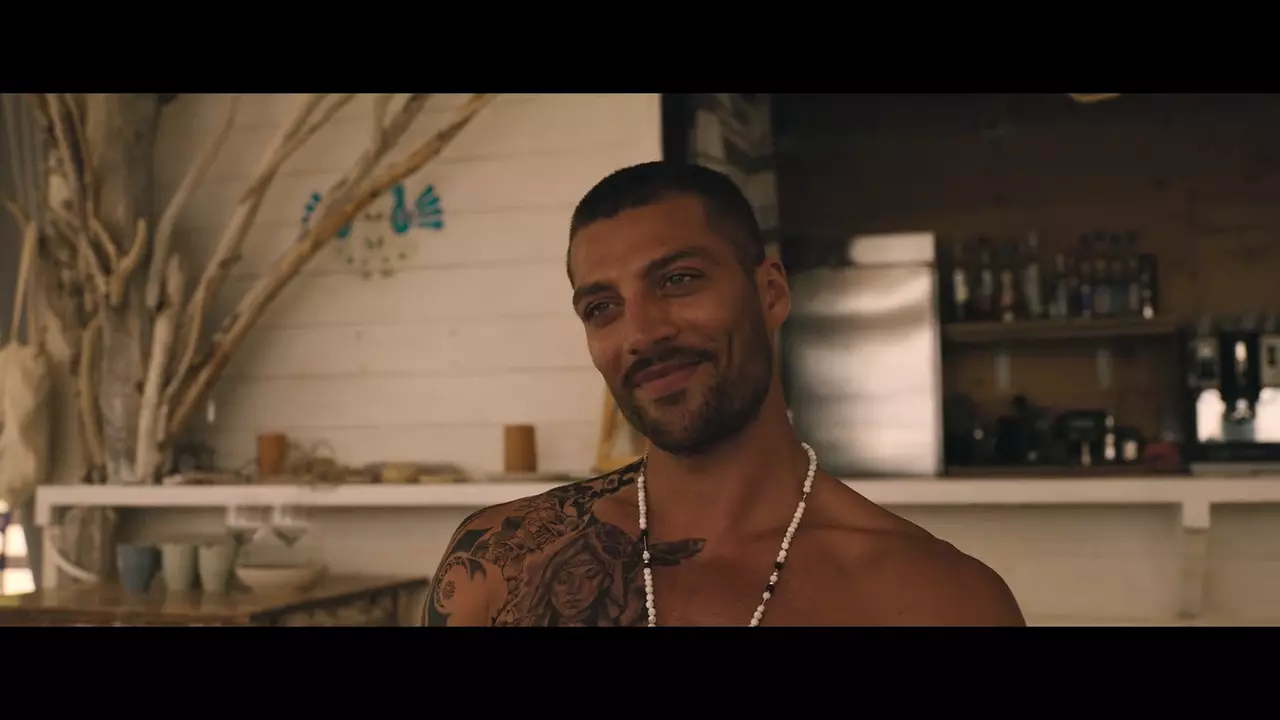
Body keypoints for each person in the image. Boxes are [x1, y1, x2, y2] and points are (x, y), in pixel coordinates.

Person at [425, 161, 1026, 627]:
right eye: (602, 307)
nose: (641, 333)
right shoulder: (499, 565)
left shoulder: (941, 601)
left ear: (770, 293)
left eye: (677, 279)